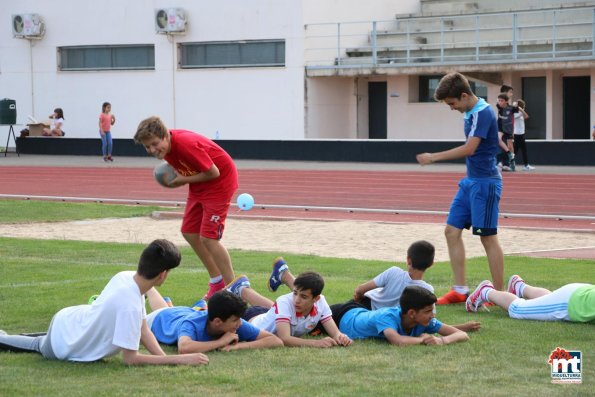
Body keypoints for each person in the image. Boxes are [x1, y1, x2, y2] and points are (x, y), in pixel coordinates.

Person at [0, 239, 209, 366]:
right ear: (162, 275)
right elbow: (130, 359)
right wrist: (179, 359)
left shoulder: (127, 277)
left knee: (40, 338)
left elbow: (143, 328)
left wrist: (164, 358)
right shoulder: (130, 304)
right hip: (62, 342)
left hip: (70, 321)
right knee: (37, 344)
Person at [416, 72, 505, 304]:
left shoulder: (483, 113)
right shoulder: (470, 112)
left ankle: (499, 294)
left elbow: (470, 149)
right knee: (451, 232)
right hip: (469, 182)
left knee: (488, 238)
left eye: (452, 103)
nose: (451, 108)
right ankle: (460, 290)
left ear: (465, 96)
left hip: (485, 183)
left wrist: (433, 157)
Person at [134, 116, 239, 300]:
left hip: (220, 183)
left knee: (209, 238)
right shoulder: (165, 149)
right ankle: (217, 282)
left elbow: (213, 172)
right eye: (147, 147)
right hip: (202, 184)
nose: (152, 150)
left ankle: (234, 290)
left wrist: (183, 180)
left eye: (154, 144)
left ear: (165, 135)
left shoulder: (185, 143)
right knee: (189, 231)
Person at [351, 240, 480, 332]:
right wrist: (463, 326)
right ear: (431, 264)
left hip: (364, 307)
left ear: (408, 260)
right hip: (389, 320)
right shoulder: (427, 290)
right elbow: (430, 322)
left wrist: (357, 297)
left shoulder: (393, 272)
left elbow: (360, 289)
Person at [225, 262, 353, 348]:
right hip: (251, 318)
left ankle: (241, 287)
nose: (296, 300)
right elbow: (284, 339)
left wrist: (341, 337)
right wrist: (316, 343)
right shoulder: (285, 302)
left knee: (275, 310)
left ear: (316, 298)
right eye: (295, 293)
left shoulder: (321, 302)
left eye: (303, 296)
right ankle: (242, 289)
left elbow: (335, 332)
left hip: (268, 314)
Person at [145, 289, 283, 353]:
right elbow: (184, 348)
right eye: (235, 320)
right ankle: (149, 289)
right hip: (159, 319)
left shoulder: (233, 323)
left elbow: (275, 341)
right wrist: (221, 342)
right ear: (217, 322)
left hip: (185, 313)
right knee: (162, 310)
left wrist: (238, 346)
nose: (240, 324)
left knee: (171, 310)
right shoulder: (191, 324)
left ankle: (169, 303)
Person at [331, 286, 470, 346]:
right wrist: (423, 340)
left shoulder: (425, 322)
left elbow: (462, 335)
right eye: (428, 311)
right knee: (311, 323)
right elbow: (397, 341)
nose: (432, 315)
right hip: (343, 315)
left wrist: (441, 341)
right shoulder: (388, 317)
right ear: (411, 314)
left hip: (361, 312)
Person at [466, 275, 595, 323]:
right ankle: (486, 291)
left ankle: (519, 287)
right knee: (518, 309)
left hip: (578, 294)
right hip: (570, 304)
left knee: (549, 298)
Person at [496, 88, 518, 171]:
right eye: (499, 100)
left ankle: (512, 161)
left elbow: (518, 109)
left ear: (506, 101)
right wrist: (504, 95)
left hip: (508, 128)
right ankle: (507, 154)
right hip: (500, 127)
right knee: (498, 139)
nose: (500, 102)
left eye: (502, 101)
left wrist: (518, 107)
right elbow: (499, 98)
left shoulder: (512, 108)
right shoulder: (498, 106)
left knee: (510, 146)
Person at [512, 99, 535, 171]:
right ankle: (507, 163)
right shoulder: (517, 114)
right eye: (523, 106)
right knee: (515, 151)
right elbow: (527, 116)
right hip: (518, 134)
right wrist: (520, 109)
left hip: (521, 134)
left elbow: (525, 116)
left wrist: (521, 109)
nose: (524, 107)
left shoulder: (520, 113)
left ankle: (526, 165)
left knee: (522, 150)